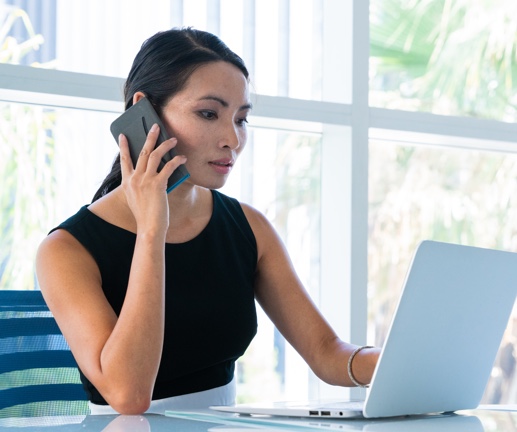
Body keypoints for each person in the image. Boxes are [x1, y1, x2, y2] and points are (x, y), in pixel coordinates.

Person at [36, 27, 380, 415]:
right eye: (208, 114)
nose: (232, 139)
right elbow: (128, 396)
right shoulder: (66, 250)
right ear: (143, 111)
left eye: (241, 119)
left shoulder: (248, 227)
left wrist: (399, 362)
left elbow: (326, 354)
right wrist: (152, 230)